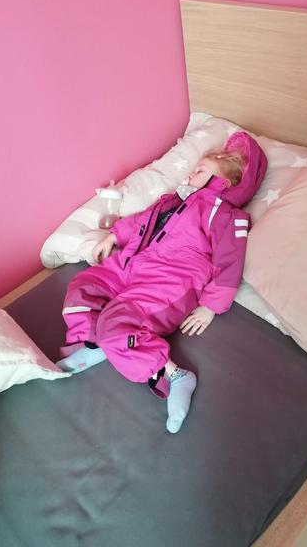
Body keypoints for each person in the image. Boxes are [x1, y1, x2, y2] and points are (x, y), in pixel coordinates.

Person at [57, 131, 267, 433]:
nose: (191, 174)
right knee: (82, 287)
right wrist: (114, 236)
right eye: (193, 169)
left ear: (225, 182)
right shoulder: (171, 201)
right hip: (131, 263)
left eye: (200, 171)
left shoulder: (225, 215)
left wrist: (211, 306)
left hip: (169, 279)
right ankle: (90, 343)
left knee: (117, 324)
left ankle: (174, 376)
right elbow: (141, 221)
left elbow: (230, 262)